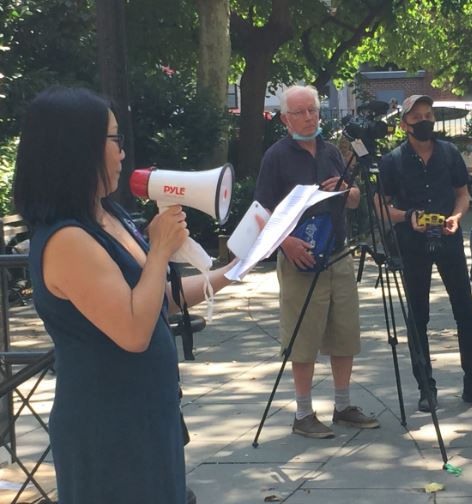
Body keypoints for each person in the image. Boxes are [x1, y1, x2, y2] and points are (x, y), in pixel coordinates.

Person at [13, 87, 239, 503]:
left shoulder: (106, 213)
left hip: (146, 413)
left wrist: (228, 273)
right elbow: (134, 331)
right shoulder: (67, 239)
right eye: (115, 140)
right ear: (77, 148)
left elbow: (156, 300)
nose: (122, 153)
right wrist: (159, 250)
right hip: (108, 425)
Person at [254, 85, 379, 439]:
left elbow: (353, 201)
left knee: (345, 333)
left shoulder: (331, 151)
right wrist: (286, 243)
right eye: (300, 112)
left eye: (313, 110)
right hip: (300, 257)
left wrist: (350, 191)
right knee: (302, 338)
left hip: (337, 254)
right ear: (284, 118)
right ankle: (304, 413)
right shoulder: (276, 156)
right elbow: (260, 212)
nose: (309, 117)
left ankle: (343, 406)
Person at [376, 94, 472, 413]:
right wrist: (407, 216)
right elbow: (380, 206)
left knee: (465, 313)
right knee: (418, 316)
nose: (424, 121)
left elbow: (462, 195)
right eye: (416, 117)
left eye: (428, 115)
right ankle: (426, 386)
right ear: (404, 124)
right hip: (411, 244)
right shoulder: (392, 160)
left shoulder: (449, 153)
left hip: (449, 239)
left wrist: (457, 217)